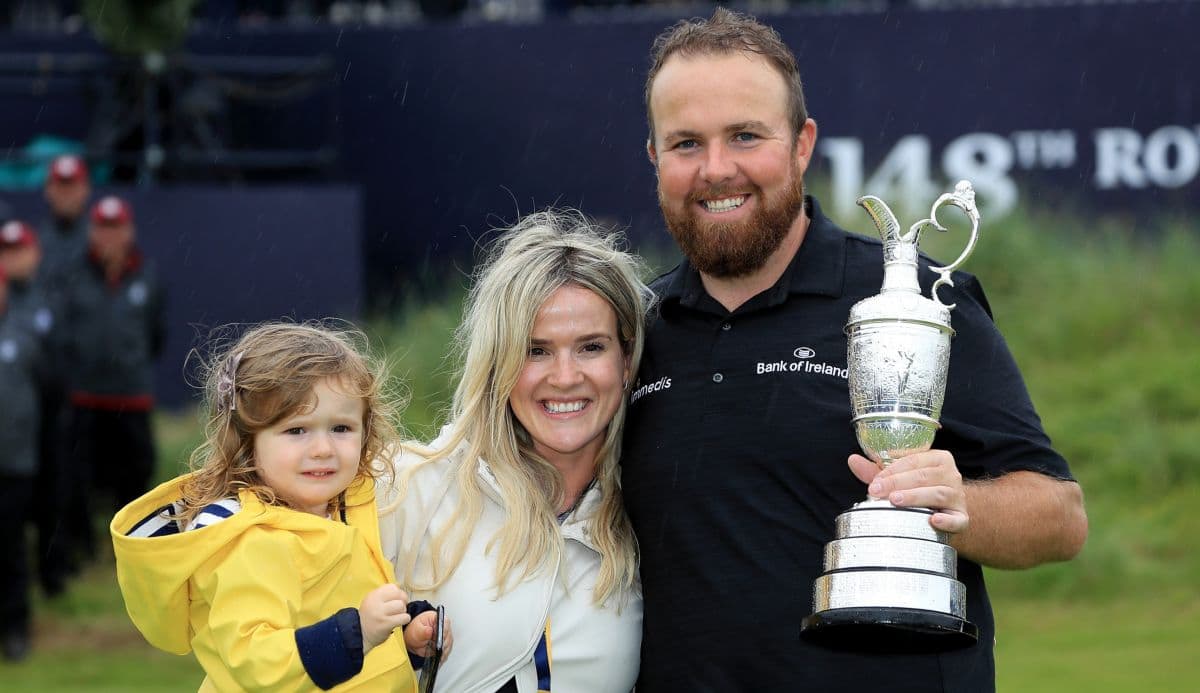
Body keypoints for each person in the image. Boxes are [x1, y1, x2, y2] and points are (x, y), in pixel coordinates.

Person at [620, 8, 1089, 692]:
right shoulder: (633, 331)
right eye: (686, 143)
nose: (716, 168)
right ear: (655, 156)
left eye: (746, 136)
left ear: (803, 143)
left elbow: (1059, 516)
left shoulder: (915, 300)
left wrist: (960, 504)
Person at [378, 209, 649, 692]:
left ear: (626, 359)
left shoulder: (652, 510)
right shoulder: (406, 489)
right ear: (497, 361)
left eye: (590, 347)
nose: (565, 376)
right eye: (535, 350)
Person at [111, 321, 445, 691]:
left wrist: (404, 636)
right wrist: (361, 632)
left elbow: (334, 614)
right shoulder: (251, 542)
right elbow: (257, 662)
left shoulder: (343, 509)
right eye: (296, 430)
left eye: (341, 428)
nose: (323, 448)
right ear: (247, 441)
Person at [61, 195, 166, 559]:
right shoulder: (74, 273)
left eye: (115, 227)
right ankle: (84, 549)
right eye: (102, 228)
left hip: (131, 396)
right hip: (85, 396)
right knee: (78, 476)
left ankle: (132, 547)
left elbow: (156, 335)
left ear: (129, 230)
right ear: (92, 231)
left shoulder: (147, 274)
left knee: (136, 474)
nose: (109, 236)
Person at [0, 218, 72, 597]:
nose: (12, 260)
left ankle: (53, 574)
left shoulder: (51, 296)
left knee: (51, 495)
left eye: (19, 250)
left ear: (35, 252)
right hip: (13, 422)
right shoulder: (5, 298)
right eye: (5, 251)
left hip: (49, 412)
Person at [0, 263, 46, 662]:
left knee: (11, 548)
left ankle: (15, 630)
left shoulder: (23, 336)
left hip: (14, 462)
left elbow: (48, 395)